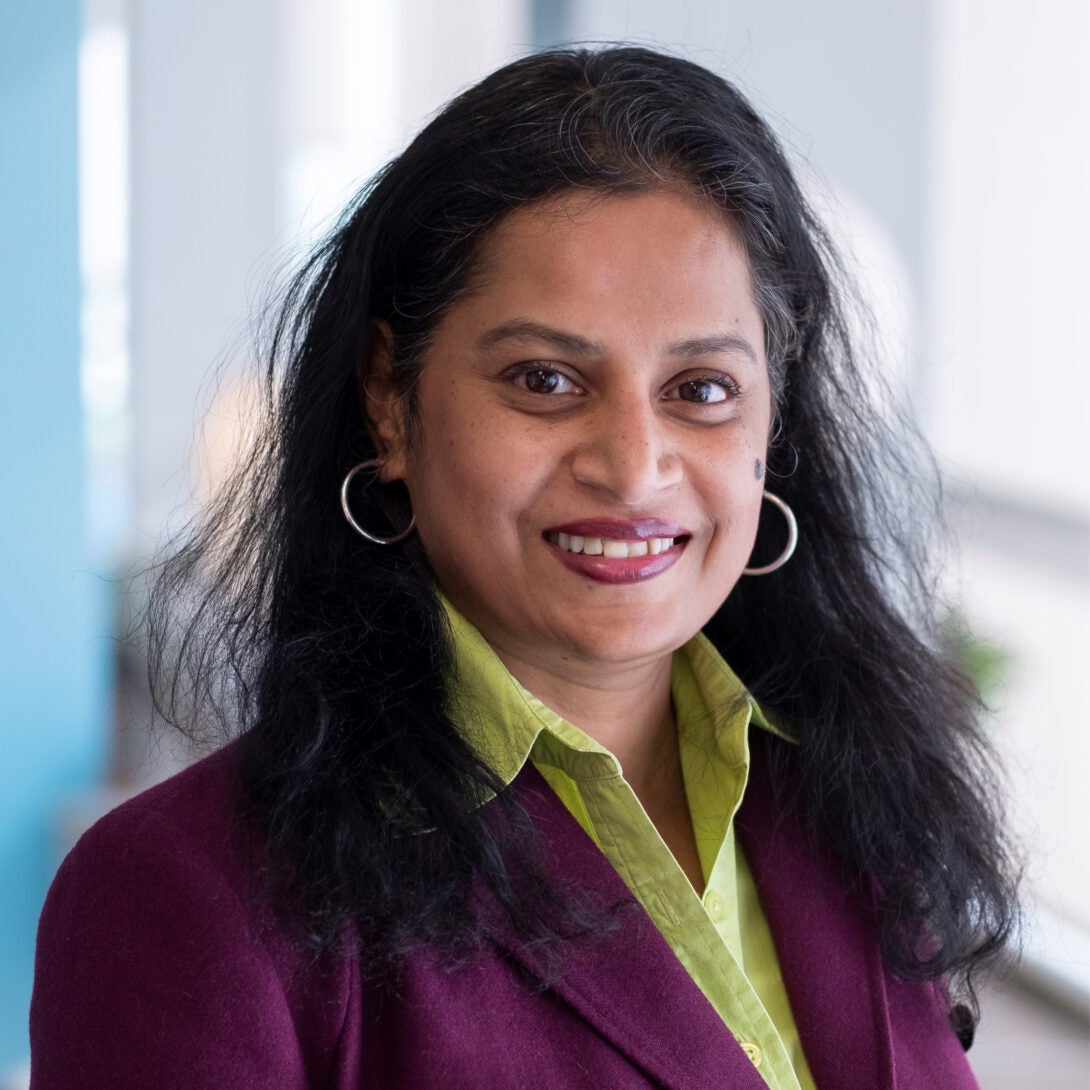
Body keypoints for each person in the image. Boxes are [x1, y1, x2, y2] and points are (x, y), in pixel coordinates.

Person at [30, 46, 1018, 1089]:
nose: (634, 466)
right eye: (545, 379)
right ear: (387, 396)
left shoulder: (855, 797)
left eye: (702, 388)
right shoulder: (187, 894)